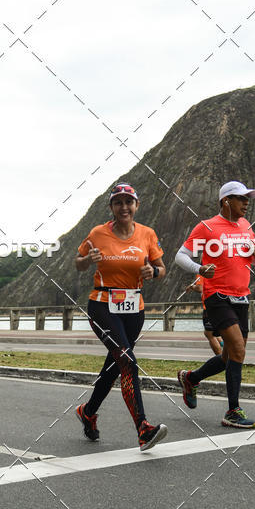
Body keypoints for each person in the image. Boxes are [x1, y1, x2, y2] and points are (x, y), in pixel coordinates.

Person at [74, 183, 168, 451]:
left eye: (129, 202)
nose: (124, 207)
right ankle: (143, 428)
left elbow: (162, 268)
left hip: (133, 307)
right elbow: (78, 263)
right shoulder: (98, 233)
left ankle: (88, 412)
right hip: (102, 305)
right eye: (118, 202)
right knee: (127, 360)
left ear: (136, 205)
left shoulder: (147, 234)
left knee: (115, 366)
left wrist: (154, 273)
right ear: (112, 208)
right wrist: (88, 260)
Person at [175, 181, 255, 429]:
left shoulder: (246, 226)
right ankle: (233, 411)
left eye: (248, 198)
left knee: (229, 355)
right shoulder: (206, 227)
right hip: (217, 296)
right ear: (226, 201)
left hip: (241, 296)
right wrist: (200, 268)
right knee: (237, 349)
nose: (247, 203)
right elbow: (180, 255)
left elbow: (249, 261)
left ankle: (191, 378)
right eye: (241, 198)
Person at [185, 278, 224, 356]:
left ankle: (222, 359)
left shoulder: (202, 272)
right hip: (221, 304)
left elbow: (200, 288)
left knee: (209, 333)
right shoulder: (217, 270)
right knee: (216, 332)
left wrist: (192, 286)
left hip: (210, 306)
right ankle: (226, 351)